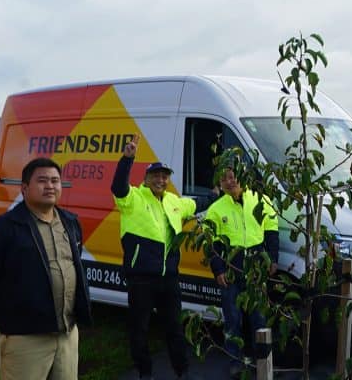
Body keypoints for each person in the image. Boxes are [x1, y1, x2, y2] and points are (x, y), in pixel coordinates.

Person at [0, 157, 92, 380]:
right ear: (24, 188)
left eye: (55, 180)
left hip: (67, 335)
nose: (50, 186)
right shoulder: (3, 229)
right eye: (42, 180)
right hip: (25, 340)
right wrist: (10, 319)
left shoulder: (70, 222)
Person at [111, 137, 197, 380]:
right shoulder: (133, 199)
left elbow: (194, 204)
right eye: (156, 176)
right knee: (139, 330)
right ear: (146, 179)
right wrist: (127, 158)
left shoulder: (173, 201)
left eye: (164, 176)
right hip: (141, 279)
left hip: (168, 278)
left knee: (175, 330)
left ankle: (182, 371)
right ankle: (144, 372)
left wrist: (215, 195)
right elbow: (118, 187)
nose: (161, 180)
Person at [205, 166, 280, 378]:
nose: (230, 181)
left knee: (259, 319)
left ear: (243, 178)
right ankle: (236, 361)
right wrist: (218, 269)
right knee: (232, 319)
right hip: (230, 270)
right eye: (225, 178)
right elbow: (212, 243)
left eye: (234, 176)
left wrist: (273, 259)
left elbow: (271, 231)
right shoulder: (216, 209)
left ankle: (263, 361)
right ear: (220, 182)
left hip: (256, 268)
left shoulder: (261, 200)